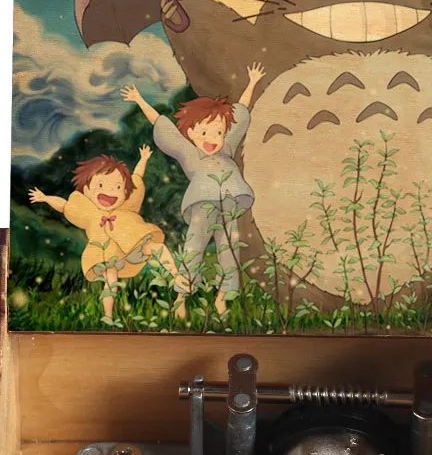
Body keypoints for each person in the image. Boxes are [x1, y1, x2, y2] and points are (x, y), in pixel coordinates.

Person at [120, 62, 265, 316]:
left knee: (229, 249)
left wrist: (252, 82)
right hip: (202, 204)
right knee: (194, 248)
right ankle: (181, 297)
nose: (212, 139)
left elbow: (240, 114)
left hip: (229, 202)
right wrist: (139, 100)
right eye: (204, 132)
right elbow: (161, 124)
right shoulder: (186, 151)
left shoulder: (227, 147)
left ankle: (222, 297)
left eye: (218, 132)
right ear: (189, 132)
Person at [28, 146, 188, 321]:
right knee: (110, 279)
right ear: (86, 190)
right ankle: (108, 316)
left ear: (125, 192)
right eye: (101, 185)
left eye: (118, 186)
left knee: (155, 247)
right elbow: (65, 205)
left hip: (131, 245)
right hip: (106, 253)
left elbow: (137, 177)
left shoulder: (127, 205)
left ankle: (177, 276)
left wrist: (143, 159)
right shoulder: (87, 212)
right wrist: (45, 198)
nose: (110, 191)